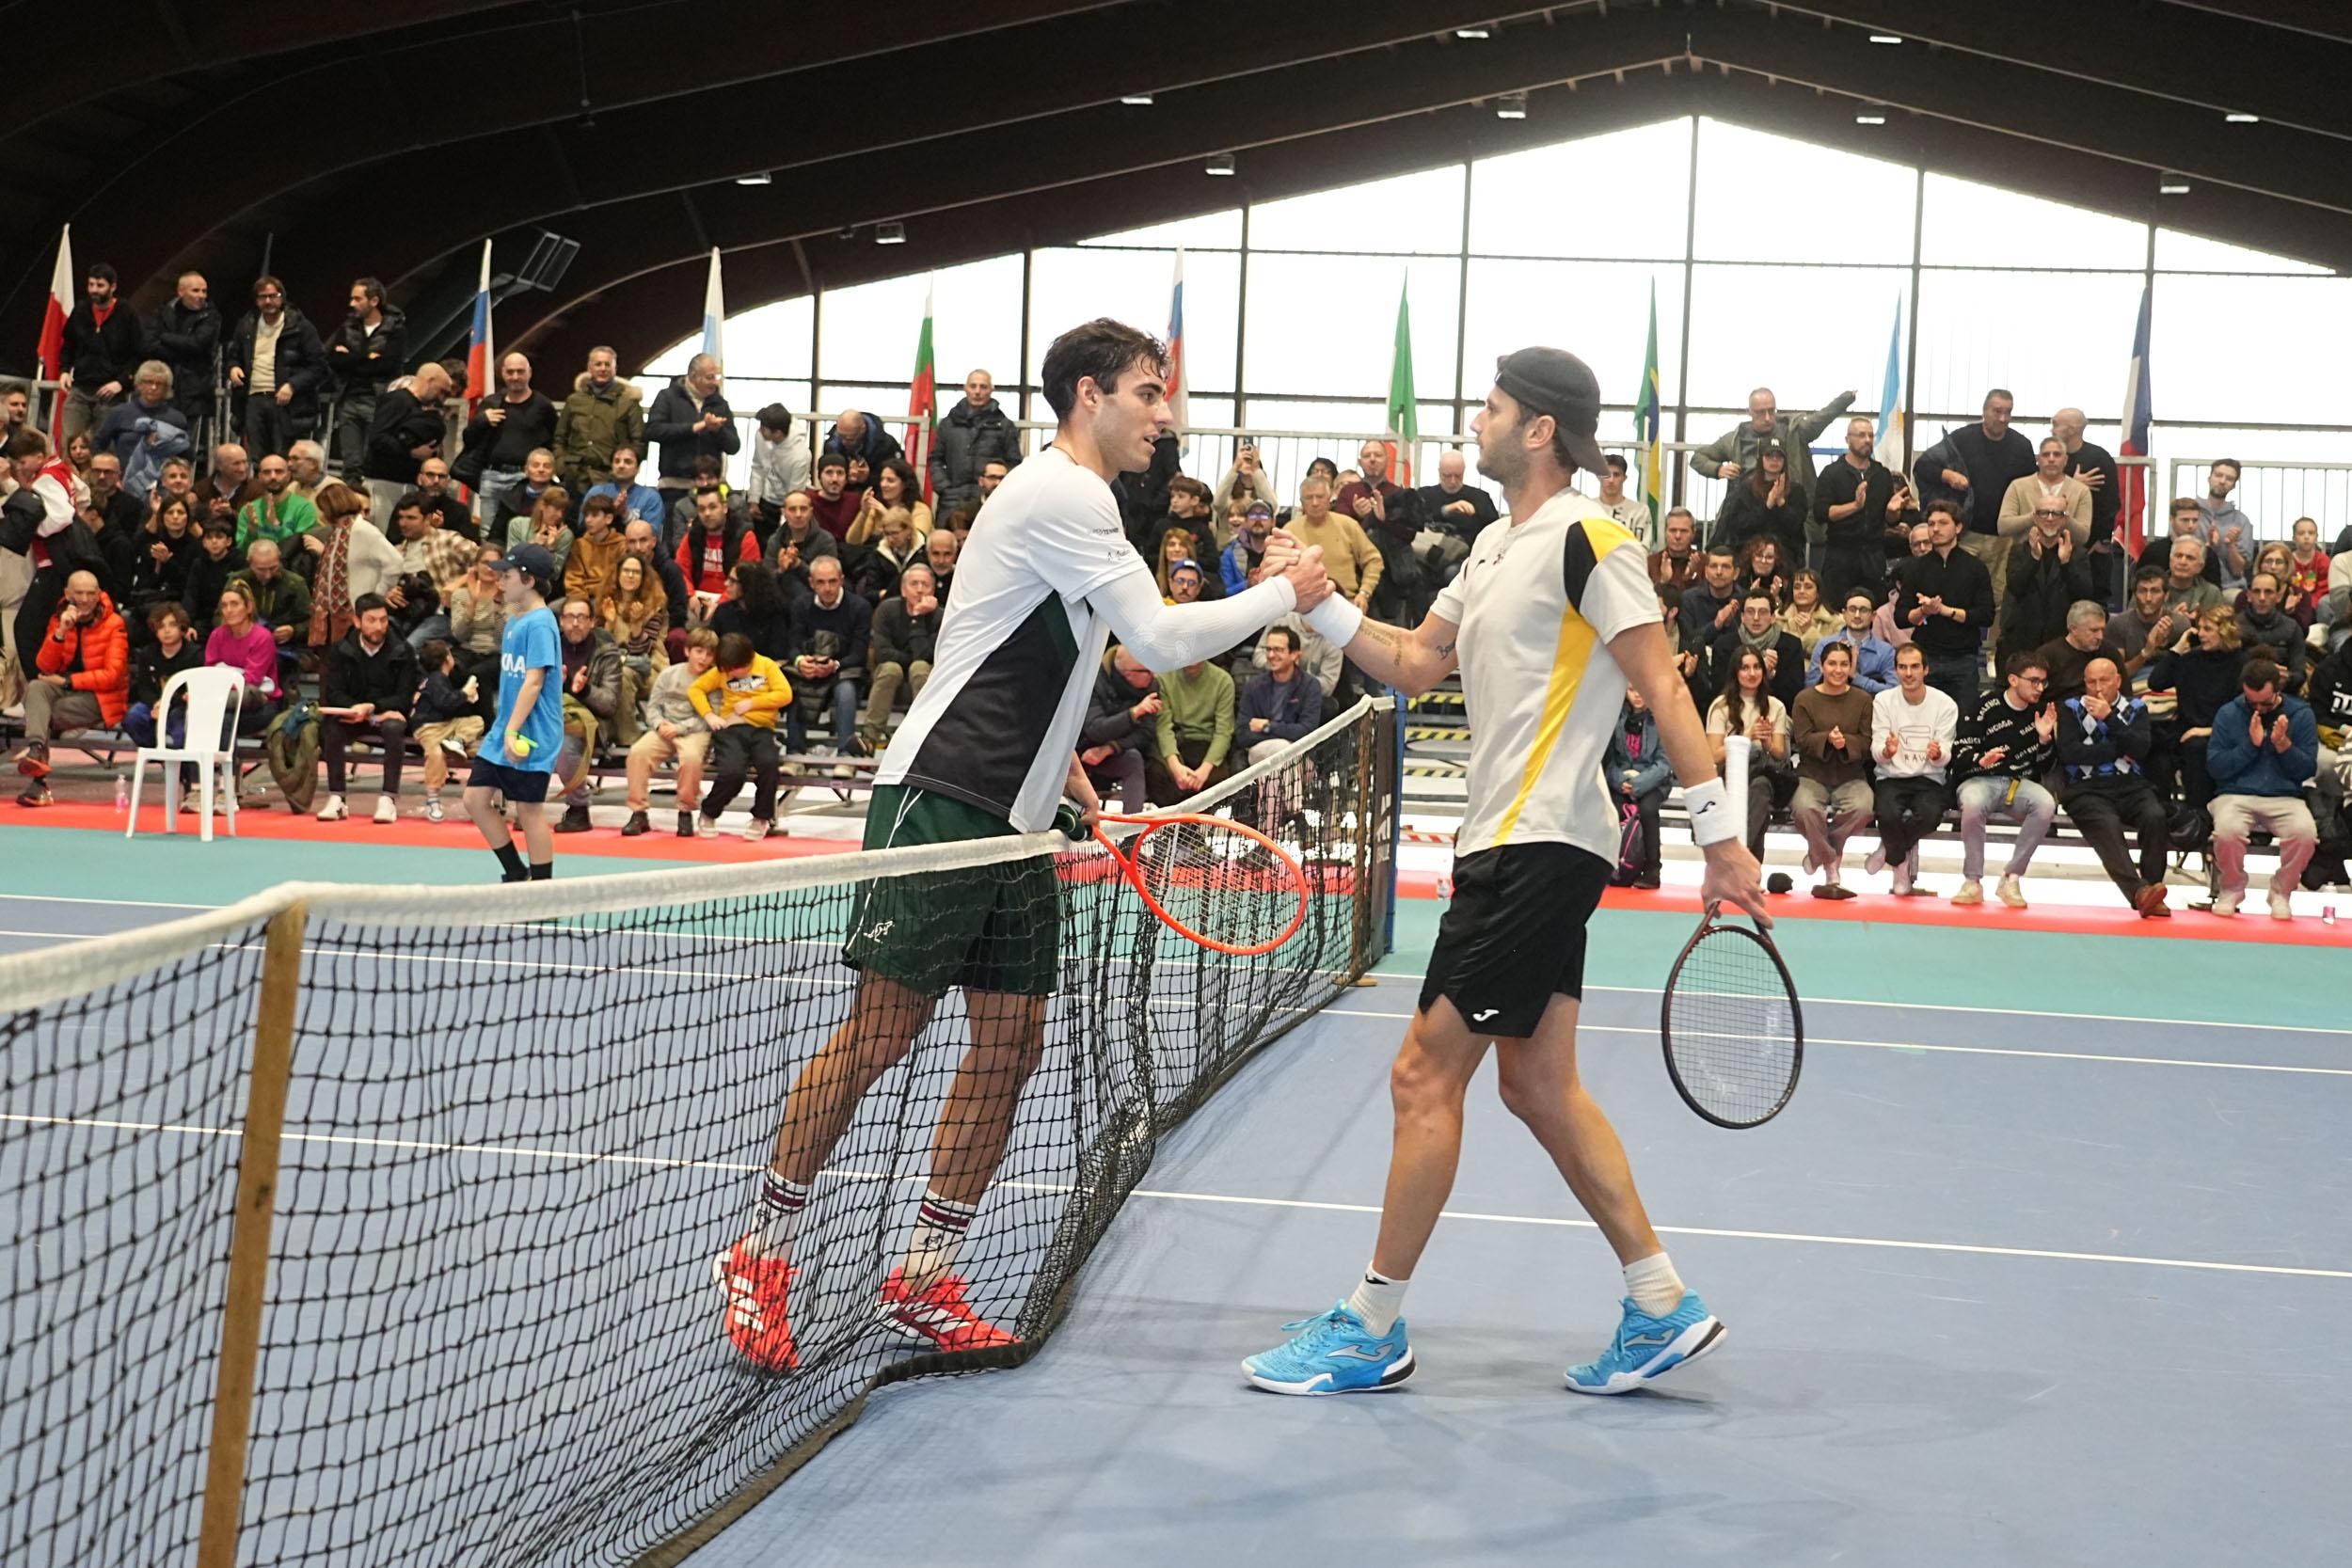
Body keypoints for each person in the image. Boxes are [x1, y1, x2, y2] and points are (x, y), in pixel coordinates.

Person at [715, 318, 1330, 1371]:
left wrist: (1070, 787)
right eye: (1148, 393)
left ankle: (923, 1275)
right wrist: (1286, 594)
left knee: (1011, 1043)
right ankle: (759, 1253)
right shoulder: (1061, 494)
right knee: (880, 1034)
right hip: (944, 796)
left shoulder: (1087, 504)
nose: (1165, 414)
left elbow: (1048, 666)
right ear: (1090, 394)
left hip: (1016, 817)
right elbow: (1158, 638)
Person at [1242, 344, 1764, 1401]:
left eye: (1489, 407)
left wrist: (1720, 836)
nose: (1473, 422)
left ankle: (1371, 1324)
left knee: (1422, 1075)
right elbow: (1414, 662)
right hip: (1511, 839)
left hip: (1539, 842)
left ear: (1538, 429)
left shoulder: (1592, 537)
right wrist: (1317, 597)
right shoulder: (1490, 545)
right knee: (1535, 1082)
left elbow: (1663, 684)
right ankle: (1660, 1302)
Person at [462, 544, 564, 881]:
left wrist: (512, 730)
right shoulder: (514, 620)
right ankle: (517, 874)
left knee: (529, 810)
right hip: (507, 726)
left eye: (507, 576)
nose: (500, 581)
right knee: (475, 799)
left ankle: (542, 890)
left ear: (529, 580)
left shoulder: (541, 624)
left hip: (533, 731)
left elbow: (534, 681)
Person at [2057, 657, 2173, 917]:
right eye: (2091, 682)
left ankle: (2153, 888)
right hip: (2085, 787)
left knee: (2155, 816)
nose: (2098, 688)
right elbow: (2070, 754)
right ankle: (2140, 892)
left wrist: (2109, 718)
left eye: (2104, 681)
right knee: (2106, 824)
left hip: (2131, 785)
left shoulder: (2136, 707)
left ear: (2118, 681)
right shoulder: (2071, 708)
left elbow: (2140, 749)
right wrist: (2119, 748)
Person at [2205, 658, 2318, 920]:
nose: (2258, 708)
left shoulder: (2301, 714)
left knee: (2305, 834)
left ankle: (2281, 892)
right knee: (2227, 831)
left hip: (2285, 796)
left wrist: (2284, 746)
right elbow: (2216, 767)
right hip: (2235, 794)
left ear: (2278, 690)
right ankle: (2230, 889)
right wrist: (2250, 746)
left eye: (2265, 704)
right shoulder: (2228, 713)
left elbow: (2306, 770)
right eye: (2251, 703)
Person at [1951, 652, 2060, 908]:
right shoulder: (1983, 705)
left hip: (2019, 783)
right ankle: (1972, 881)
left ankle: (2011, 878)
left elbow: (2046, 766)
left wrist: (2045, 739)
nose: (2040, 688)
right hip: (1979, 780)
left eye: (2043, 682)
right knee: (1973, 803)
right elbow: (1959, 754)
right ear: (2013, 679)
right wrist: (1981, 760)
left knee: (2046, 804)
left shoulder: (2042, 712)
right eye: (2034, 681)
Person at [11, 572, 128, 805]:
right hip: (64, 691)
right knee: (36, 687)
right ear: (67, 594)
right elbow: (44, 666)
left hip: (100, 698)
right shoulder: (60, 618)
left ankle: (38, 784)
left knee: (39, 713)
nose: (85, 599)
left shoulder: (114, 623)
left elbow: (112, 676)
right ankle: (36, 749)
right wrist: (60, 633)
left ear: (99, 594)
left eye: (90, 593)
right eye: (79, 593)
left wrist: (67, 682)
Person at [1915, 388, 2037, 589]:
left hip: (2004, 538)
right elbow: (1923, 466)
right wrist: (1948, 475)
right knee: (1957, 588)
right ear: (1984, 411)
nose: (2003, 418)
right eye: (1997, 411)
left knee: (1999, 594)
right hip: (1965, 534)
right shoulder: (1961, 439)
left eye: (2008, 412)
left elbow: (2033, 484)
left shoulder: (2022, 446)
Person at [315, 593, 420, 825]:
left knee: (394, 728)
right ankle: (337, 797)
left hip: (386, 713)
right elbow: (333, 692)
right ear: (357, 621)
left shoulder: (403, 651)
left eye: (383, 620)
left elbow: (404, 696)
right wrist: (353, 709)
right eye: (371, 620)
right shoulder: (340, 650)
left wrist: (373, 708)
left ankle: (388, 798)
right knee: (332, 728)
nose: (378, 627)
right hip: (353, 713)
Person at [1866, 644, 1958, 896]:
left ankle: (1889, 849)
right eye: (1902, 667)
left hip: (1929, 778)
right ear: (1895, 670)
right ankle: (1899, 864)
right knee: (1887, 815)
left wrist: (1937, 755)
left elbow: (1946, 754)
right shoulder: (1883, 701)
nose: (1908, 673)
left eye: (1915, 667)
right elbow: (1876, 750)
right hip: (1890, 776)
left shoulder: (1945, 704)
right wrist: (1887, 751)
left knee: (1930, 816)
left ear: (1926, 670)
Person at [1789, 641, 1876, 898]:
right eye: (1832, 664)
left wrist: (1845, 742)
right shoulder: (1804, 699)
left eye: (1844, 664)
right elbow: (1801, 739)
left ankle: (1819, 851)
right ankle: (1829, 859)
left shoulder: (1863, 699)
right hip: (1812, 774)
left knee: (1863, 808)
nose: (1838, 670)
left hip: (1851, 775)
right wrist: (1826, 739)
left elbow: (1867, 741)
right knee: (1804, 809)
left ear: (1851, 667)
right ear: (1821, 665)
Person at [691, 630, 791, 840]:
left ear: (749, 660)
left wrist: (753, 703)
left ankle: (761, 817)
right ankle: (709, 812)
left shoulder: (766, 665)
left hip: (762, 729)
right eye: (728, 670)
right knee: (732, 772)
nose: (732, 673)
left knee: (769, 766)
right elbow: (696, 689)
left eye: (736, 669)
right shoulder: (722, 670)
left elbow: (785, 694)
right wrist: (709, 715)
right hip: (732, 730)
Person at [1893, 499, 1994, 708]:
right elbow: (1901, 618)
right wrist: (1923, 611)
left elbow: (1986, 615)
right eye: (1931, 524)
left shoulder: (1975, 567)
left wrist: (1946, 611)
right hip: (1926, 657)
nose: (1936, 529)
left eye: (1943, 523)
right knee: (1923, 716)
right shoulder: (1915, 568)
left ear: (1958, 527)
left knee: (1965, 719)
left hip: (1963, 658)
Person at [620, 626, 718, 837]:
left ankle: (685, 811)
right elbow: (653, 707)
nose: (703, 658)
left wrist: (679, 728)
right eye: (699, 651)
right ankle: (638, 812)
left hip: (694, 731)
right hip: (664, 728)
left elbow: (709, 717)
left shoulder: (714, 680)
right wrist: (659, 724)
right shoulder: (668, 674)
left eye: (709, 654)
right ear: (687, 651)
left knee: (691, 759)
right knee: (638, 753)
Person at [1813, 415, 1915, 603]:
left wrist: (1893, 513)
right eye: (1861, 435)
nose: (1867, 440)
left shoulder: (1882, 474)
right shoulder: (1831, 473)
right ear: (1848, 439)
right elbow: (1821, 513)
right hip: (1840, 556)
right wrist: (1855, 506)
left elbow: (1890, 520)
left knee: (1874, 607)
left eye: (1870, 435)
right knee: (1837, 607)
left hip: (1873, 556)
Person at [226, 276, 328, 459]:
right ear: (256, 300)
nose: (268, 301)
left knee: (286, 460)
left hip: (288, 404)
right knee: (258, 460)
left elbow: (319, 367)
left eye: (273, 296)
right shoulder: (246, 326)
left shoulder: (301, 327)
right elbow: (233, 356)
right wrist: (233, 368)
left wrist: (292, 385)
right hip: (253, 400)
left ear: (282, 297)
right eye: (262, 297)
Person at [1705, 644, 1792, 861]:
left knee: (1760, 788)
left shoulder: (1776, 706)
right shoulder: (1720, 706)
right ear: (1735, 672)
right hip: (1729, 774)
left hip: (1764, 773)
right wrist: (1747, 736)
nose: (1752, 673)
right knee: (1751, 801)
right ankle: (1748, 866)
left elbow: (1780, 755)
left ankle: (1734, 857)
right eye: (1745, 668)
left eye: (1756, 667)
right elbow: (1713, 755)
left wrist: (1767, 742)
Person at [1688, 385, 1855, 493]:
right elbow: (1698, 458)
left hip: (1790, 508)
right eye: (1761, 412)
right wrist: (1718, 469)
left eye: (1771, 411)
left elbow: (1822, 418)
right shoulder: (1735, 439)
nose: (1767, 418)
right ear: (1749, 412)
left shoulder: (1794, 432)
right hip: (1747, 510)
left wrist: (1846, 399)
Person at [461, 353, 560, 531]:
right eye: (511, 372)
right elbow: (469, 440)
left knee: (528, 530)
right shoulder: (491, 403)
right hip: (492, 477)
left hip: (526, 479)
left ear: (530, 373)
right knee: (487, 533)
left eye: (520, 372)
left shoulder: (543, 406)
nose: (515, 377)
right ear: (503, 373)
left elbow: (556, 441)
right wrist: (481, 420)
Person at [548, 596, 623, 832]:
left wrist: (585, 690)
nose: (575, 623)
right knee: (522, 738)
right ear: (561, 621)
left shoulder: (607, 652)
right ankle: (527, 805)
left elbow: (609, 704)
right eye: (570, 617)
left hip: (593, 722)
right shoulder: (549, 648)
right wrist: (555, 685)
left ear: (592, 622)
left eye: (581, 618)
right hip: (552, 715)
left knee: (565, 745)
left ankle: (579, 809)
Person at [785, 555, 868, 757]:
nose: (828, 588)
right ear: (811, 583)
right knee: (792, 689)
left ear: (841, 580)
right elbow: (793, 644)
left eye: (832, 581)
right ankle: (794, 753)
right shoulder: (800, 605)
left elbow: (859, 652)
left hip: (843, 670)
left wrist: (835, 665)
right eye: (821, 582)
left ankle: (845, 754)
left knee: (846, 692)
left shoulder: (860, 607)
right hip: (809, 669)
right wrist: (800, 661)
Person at [1999, 496, 2094, 666]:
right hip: (2023, 639)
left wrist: (2066, 563)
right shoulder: (2019, 551)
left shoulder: (2077, 553)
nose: (2050, 518)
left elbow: (2084, 594)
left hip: (2061, 642)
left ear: (2064, 519)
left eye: (2056, 513)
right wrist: (2034, 559)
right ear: (2035, 517)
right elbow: (2015, 587)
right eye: (2044, 513)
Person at [327, 278, 406, 476]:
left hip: (377, 400)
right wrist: (366, 358)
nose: (352, 304)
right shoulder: (348, 327)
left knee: (372, 458)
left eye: (357, 299)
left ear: (374, 301)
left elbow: (388, 366)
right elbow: (334, 360)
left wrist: (350, 358)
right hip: (348, 398)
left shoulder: (395, 330)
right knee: (350, 461)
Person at [857, 562, 939, 752]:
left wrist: (917, 618)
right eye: (914, 584)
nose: (920, 589)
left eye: (925, 585)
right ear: (903, 589)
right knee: (891, 668)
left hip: (925, 679)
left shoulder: (940, 616)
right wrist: (911, 657)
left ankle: (924, 738)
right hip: (890, 678)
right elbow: (882, 653)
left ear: (933, 591)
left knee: (919, 667)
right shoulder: (887, 609)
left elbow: (926, 656)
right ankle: (869, 739)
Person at [550, 347, 644, 496]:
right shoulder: (574, 401)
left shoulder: (628, 403)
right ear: (589, 367)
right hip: (574, 477)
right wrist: (562, 467)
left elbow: (639, 442)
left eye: (607, 364)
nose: (603, 369)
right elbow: (559, 438)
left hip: (611, 479)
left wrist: (623, 470)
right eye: (598, 364)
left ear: (615, 368)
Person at [409, 639, 484, 823]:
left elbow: (448, 706)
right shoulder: (436, 679)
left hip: (445, 725)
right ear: (447, 659)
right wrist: (464, 694)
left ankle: (456, 742)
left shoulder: (438, 679)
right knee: (435, 754)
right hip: (428, 729)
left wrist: (467, 697)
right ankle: (433, 798)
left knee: (476, 721)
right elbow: (445, 702)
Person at [1604, 688, 1672, 889]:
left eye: (1641, 688)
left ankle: (1652, 869)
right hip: (1621, 781)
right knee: (1612, 810)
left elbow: (1664, 764)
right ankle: (1611, 866)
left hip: (1653, 782)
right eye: (1632, 689)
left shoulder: (1662, 719)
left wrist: (1638, 784)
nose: (1638, 694)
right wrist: (1620, 782)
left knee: (1648, 810)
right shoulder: (1614, 717)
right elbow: (1609, 760)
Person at [600, 551, 669, 743]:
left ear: (643, 577)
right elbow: (600, 648)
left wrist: (637, 625)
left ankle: (628, 740)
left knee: (623, 675)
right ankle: (602, 737)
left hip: (649, 669)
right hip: (613, 665)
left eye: (636, 572)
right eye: (626, 571)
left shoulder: (655, 606)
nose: (630, 576)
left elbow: (643, 653)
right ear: (618, 574)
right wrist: (609, 624)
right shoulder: (607, 601)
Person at [1079, 645, 1158, 814]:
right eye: (1148, 671)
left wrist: (1110, 748)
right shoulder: (1094, 679)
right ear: (1129, 674)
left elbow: (1146, 733)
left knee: (1134, 759)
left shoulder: (1151, 685)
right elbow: (1095, 728)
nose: (1154, 675)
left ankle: (1133, 827)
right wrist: (1134, 713)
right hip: (1080, 750)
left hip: (1116, 750)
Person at [1147, 655, 1235, 803]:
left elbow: (1223, 732)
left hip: (1207, 744)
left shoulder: (1223, 680)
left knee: (1218, 780)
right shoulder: (1163, 679)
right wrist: (1175, 767)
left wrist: (1204, 770)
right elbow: (1163, 727)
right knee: (1156, 772)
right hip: (1176, 742)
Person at [930, 371, 1020, 515]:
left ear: (991, 390)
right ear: (965, 388)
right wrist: (944, 488)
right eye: (973, 386)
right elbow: (935, 460)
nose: (977, 391)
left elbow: (1014, 463)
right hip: (952, 499)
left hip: (991, 499)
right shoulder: (948, 424)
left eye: (983, 387)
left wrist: (998, 487)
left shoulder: (1004, 426)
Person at [1713, 436, 1807, 566]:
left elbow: (1796, 526)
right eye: (1769, 456)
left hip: (1786, 559)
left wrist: (1781, 503)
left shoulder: (1796, 491)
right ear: (1760, 459)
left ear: (1785, 461)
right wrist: (1767, 506)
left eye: (1779, 457)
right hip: (1749, 558)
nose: (1774, 460)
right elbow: (1739, 525)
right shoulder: (1745, 489)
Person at [1708, 590, 1804, 711]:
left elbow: (1794, 696)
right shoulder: (1724, 645)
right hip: (1734, 711)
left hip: (1777, 712)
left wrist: (1771, 675)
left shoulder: (1791, 645)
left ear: (1773, 617)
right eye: (1750, 612)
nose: (1756, 618)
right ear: (1742, 617)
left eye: (1763, 612)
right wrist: (1759, 674)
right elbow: (1719, 693)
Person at [741, 404, 813, 531]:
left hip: (791, 498)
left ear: (777, 433)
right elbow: (757, 467)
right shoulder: (761, 436)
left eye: (764, 429)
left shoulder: (800, 455)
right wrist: (753, 499)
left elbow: (795, 492)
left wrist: (786, 520)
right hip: (766, 499)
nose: (759, 431)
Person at [2195, 460, 2256, 592]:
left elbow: (2239, 570)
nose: (2222, 481)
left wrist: (2230, 545)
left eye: (2229, 478)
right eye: (2218, 475)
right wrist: (2208, 548)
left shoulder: (2241, 521)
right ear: (2209, 478)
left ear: (2234, 485)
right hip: (2193, 585)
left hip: (2229, 588)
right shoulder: (2191, 513)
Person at [563, 491, 628, 606]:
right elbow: (573, 578)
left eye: (594, 515)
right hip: (583, 598)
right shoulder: (580, 544)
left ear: (608, 518)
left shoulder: (621, 544)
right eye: (586, 515)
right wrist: (581, 601)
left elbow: (619, 580)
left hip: (611, 599)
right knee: (554, 608)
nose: (588, 520)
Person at [1777, 569, 1838, 653]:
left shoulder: (1835, 621)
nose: (1801, 591)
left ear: (1818, 593)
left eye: (1808, 587)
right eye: (1797, 587)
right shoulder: (1778, 618)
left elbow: (1834, 654)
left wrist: (1809, 630)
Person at [1647, 507, 1698, 593]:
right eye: (1673, 530)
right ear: (1665, 532)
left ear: (1693, 534)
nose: (1678, 536)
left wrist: (1691, 577)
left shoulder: (1705, 563)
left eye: (1684, 531)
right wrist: (1663, 581)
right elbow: (1643, 597)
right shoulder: (1650, 563)